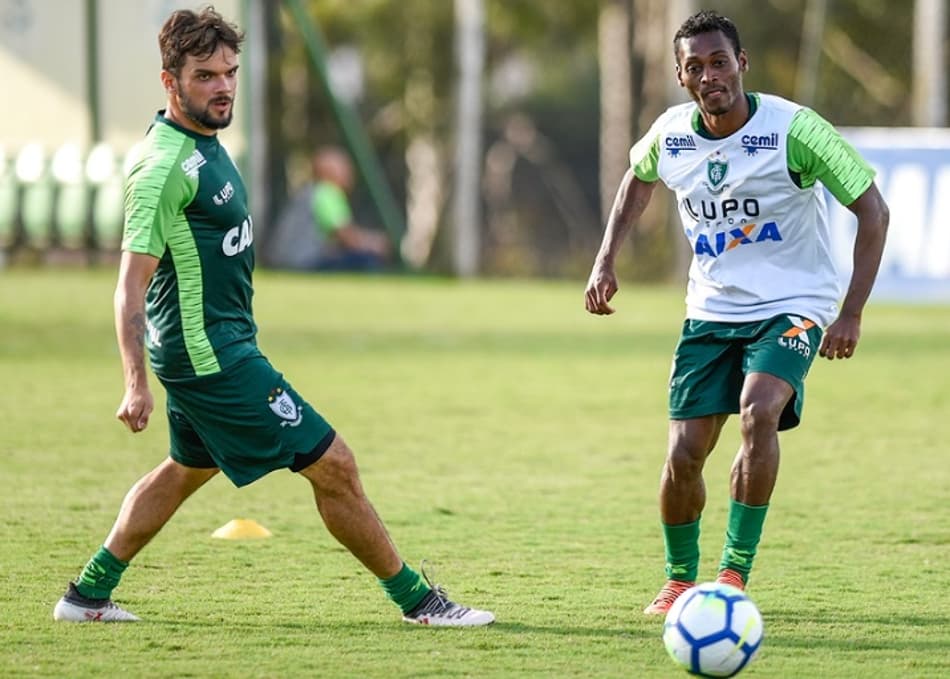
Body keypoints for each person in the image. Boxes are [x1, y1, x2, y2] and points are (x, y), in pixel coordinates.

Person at [52, 7, 493, 627]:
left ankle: (86, 596)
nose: (224, 87)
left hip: (213, 347)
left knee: (185, 470)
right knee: (334, 465)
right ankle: (420, 602)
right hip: (212, 358)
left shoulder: (206, 145)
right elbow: (129, 285)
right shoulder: (162, 168)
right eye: (205, 76)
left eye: (230, 72)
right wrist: (133, 383)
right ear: (170, 82)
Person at [584, 10, 888, 616]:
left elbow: (873, 211)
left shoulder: (795, 130)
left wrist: (850, 312)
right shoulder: (671, 133)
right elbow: (638, 180)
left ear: (741, 63)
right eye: (695, 67)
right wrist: (605, 259)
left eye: (719, 62)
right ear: (680, 76)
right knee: (684, 454)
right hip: (711, 310)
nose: (709, 76)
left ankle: (732, 573)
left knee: (758, 411)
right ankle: (678, 580)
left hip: (794, 304)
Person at [266, 147, 391, 272]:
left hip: (282, 261)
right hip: (304, 262)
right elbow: (347, 237)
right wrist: (374, 243)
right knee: (367, 260)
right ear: (329, 171)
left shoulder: (308, 191)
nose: (350, 173)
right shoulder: (328, 193)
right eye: (344, 168)